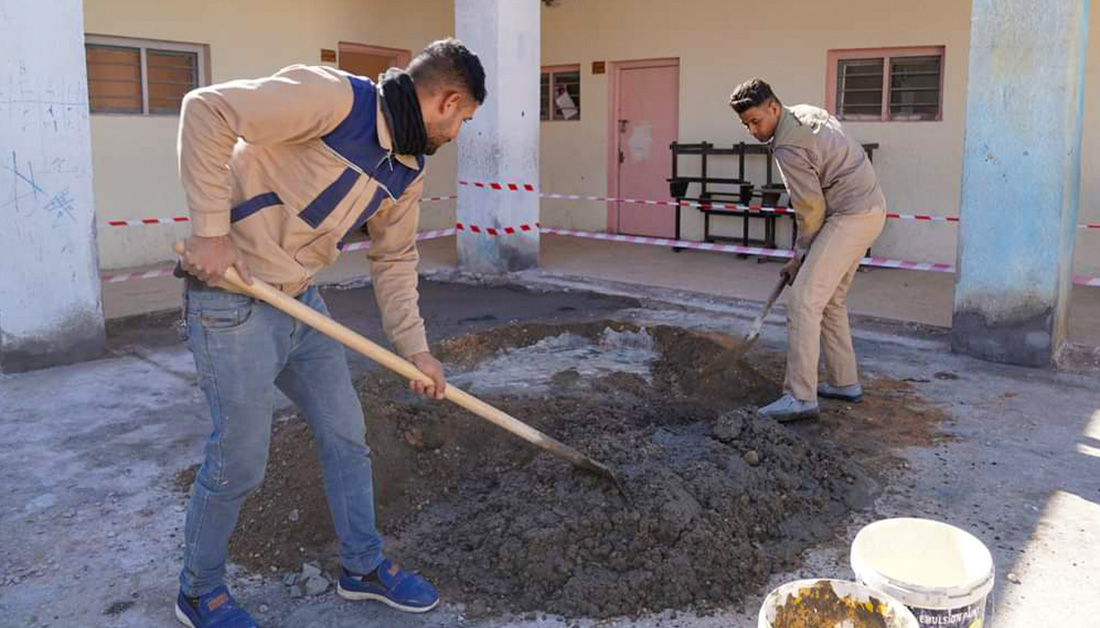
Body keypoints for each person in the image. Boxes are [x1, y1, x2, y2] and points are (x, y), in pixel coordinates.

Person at [173, 38, 486, 628]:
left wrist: (415, 350)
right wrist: (211, 232)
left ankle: (362, 567)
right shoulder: (334, 99)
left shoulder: (408, 167)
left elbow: (394, 260)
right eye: (464, 118)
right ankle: (199, 589)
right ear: (446, 101)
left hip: (303, 306)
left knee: (347, 437)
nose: (460, 132)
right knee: (239, 461)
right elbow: (205, 108)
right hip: (232, 302)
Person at [729, 79, 886, 422]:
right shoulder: (802, 113)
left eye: (756, 121)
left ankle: (800, 396)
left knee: (802, 300)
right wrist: (801, 257)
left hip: (850, 213)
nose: (753, 130)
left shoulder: (788, 145)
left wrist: (799, 257)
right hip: (870, 208)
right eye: (746, 125)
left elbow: (810, 209)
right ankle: (844, 382)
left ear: (773, 107)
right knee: (829, 300)